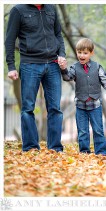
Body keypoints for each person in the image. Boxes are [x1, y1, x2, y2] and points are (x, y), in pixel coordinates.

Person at [5, 4, 66, 152]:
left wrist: (62, 55)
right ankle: (31, 147)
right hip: (30, 64)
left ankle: (55, 148)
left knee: (55, 109)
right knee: (27, 108)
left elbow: (58, 34)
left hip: (52, 64)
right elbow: (10, 40)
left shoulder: (52, 8)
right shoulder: (18, 10)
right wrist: (11, 66)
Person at [59, 38, 106, 155]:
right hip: (81, 105)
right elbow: (67, 77)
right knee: (82, 131)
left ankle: (101, 153)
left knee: (98, 130)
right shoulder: (74, 67)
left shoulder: (97, 67)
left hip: (95, 105)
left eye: (85, 53)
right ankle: (84, 152)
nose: (82, 55)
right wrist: (63, 69)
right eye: (79, 52)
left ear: (91, 53)